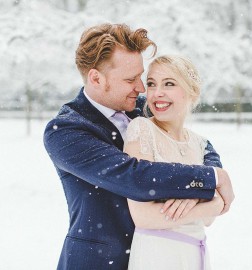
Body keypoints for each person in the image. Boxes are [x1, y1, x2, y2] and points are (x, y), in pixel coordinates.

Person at [43, 23, 234, 270]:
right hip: (99, 262)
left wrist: (210, 172)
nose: (142, 88)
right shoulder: (67, 131)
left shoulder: (140, 106)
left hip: (162, 255)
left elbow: (197, 142)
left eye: (141, 77)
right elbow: (134, 176)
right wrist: (209, 179)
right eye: (131, 79)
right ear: (96, 78)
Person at [124, 55, 224, 270]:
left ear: (192, 91)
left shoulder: (199, 143)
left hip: (194, 255)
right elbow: (143, 217)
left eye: (169, 84)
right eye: (151, 84)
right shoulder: (142, 130)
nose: (157, 92)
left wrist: (206, 205)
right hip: (156, 255)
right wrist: (210, 201)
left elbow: (209, 221)